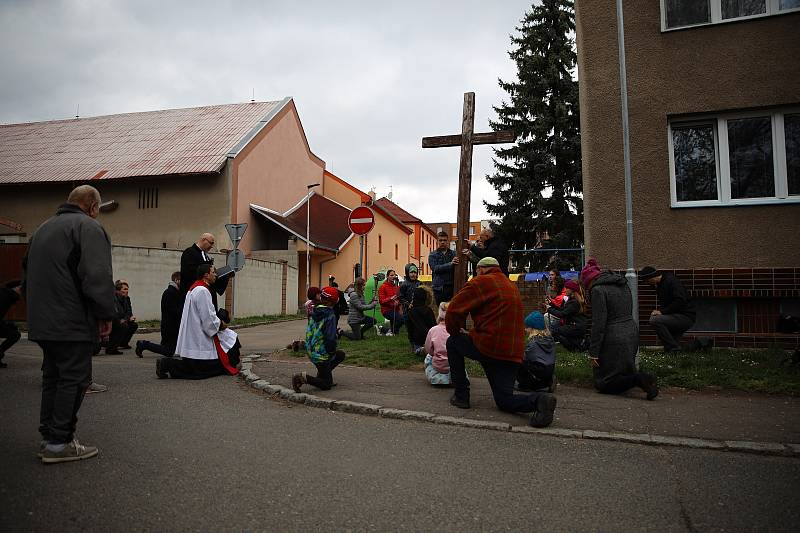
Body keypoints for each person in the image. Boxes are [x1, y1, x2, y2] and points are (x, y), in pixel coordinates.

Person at [24, 185, 116, 463]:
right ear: (92, 206)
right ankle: (59, 442)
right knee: (74, 379)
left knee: (52, 376)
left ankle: (49, 436)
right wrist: (105, 313)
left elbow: (27, 273)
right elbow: (96, 275)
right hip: (71, 319)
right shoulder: (87, 227)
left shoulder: (42, 229)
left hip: (42, 320)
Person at [445, 256, 557, 428]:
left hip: (489, 345)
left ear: (481, 270)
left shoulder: (479, 282)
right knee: (504, 400)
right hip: (512, 351)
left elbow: (453, 309)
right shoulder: (509, 285)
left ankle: (461, 396)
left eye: (477, 271)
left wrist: (455, 330)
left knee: (453, 342)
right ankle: (539, 401)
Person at [580, 258, 658, 400]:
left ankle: (640, 379)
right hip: (630, 332)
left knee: (604, 383)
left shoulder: (598, 290)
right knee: (623, 371)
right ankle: (645, 379)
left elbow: (599, 323)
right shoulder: (621, 283)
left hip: (613, 337)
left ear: (589, 281)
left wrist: (594, 352)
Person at [156, 264, 239, 380]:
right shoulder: (202, 291)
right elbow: (208, 318)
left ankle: (166, 365)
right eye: (213, 272)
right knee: (201, 371)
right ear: (206, 275)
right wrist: (221, 324)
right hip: (199, 337)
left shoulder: (195, 288)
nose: (215, 275)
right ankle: (166, 364)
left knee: (197, 368)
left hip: (195, 334)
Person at [292, 286, 345, 392]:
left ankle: (322, 373)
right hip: (321, 353)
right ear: (333, 302)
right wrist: (331, 350)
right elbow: (329, 338)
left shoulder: (315, 310)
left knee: (340, 355)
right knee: (326, 384)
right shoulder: (330, 315)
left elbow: (318, 330)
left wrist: (335, 333)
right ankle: (302, 378)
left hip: (311, 349)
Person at [639, 266, 696, 353]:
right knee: (671, 347)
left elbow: (680, 300)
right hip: (675, 316)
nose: (647, 283)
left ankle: (674, 349)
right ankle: (681, 349)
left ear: (652, 277)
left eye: (647, 281)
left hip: (685, 316)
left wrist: (662, 312)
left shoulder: (671, 281)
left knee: (655, 320)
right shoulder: (660, 284)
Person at [136, 272, 182, 357]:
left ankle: (144, 344)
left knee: (169, 349)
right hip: (170, 327)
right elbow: (173, 311)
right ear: (176, 280)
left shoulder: (174, 292)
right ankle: (144, 344)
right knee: (168, 351)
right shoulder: (170, 293)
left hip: (171, 326)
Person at [179, 233, 231, 309]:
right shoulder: (189, 252)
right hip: (196, 295)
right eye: (211, 243)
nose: (212, 246)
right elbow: (190, 274)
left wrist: (224, 275)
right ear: (203, 240)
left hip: (206, 294)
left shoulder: (205, 255)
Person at [517, 311, 557, 393]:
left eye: (527, 327)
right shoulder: (550, 340)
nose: (525, 329)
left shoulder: (533, 343)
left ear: (533, 329)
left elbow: (526, 358)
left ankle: (525, 385)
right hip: (549, 369)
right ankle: (548, 382)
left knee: (518, 362)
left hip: (537, 373)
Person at [544, 279, 588, 352]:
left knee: (556, 332)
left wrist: (549, 309)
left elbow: (562, 314)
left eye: (567, 288)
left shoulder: (573, 302)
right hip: (577, 325)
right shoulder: (572, 300)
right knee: (561, 332)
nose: (565, 289)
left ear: (572, 290)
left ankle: (573, 348)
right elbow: (562, 310)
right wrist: (551, 305)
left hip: (576, 326)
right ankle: (577, 345)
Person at [423, 302, 453, 386]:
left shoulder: (433, 330)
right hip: (454, 366)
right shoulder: (456, 330)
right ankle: (452, 378)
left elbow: (428, 349)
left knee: (428, 357)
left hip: (438, 366)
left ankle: (437, 378)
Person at [105, 279, 138, 355]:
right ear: (118, 291)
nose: (127, 291)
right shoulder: (113, 298)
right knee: (122, 325)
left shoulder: (127, 299)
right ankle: (111, 348)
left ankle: (123, 343)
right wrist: (121, 319)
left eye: (127, 289)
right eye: (125, 289)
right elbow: (113, 312)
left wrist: (126, 319)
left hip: (123, 319)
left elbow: (129, 311)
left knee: (133, 325)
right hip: (113, 319)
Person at [428, 231, 459, 304]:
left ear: (448, 241)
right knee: (441, 311)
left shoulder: (454, 253)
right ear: (437, 241)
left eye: (444, 240)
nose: (442, 242)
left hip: (452, 287)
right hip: (439, 289)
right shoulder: (433, 255)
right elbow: (435, 269)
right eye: (440, 240)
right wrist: (451, 264)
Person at [406, 286, 436, 356]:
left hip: (417, 339)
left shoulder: (411, 311)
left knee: (417, 349)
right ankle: (428, 349)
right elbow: (433, 325)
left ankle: (420, 350)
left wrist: (411, 340)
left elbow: (409, 328)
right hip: (429, 338)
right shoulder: (428, 310)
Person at [0, 279, 23, 368]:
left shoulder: (7, 296)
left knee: (14, 333)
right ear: (18, 289)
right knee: (14, 334)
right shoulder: (4, 297)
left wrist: (7, 324)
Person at [378, 269, 404, 335]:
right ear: (387, 276)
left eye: (394, 275)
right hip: (386, 310)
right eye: (391, 275)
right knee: (401, 319)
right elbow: (381, 301)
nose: (393, 277)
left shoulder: (397, 287)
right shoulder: (383, 287)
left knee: (396, 333)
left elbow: (399, 298)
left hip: (396, 309)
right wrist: (390, 299)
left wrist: (398, 303)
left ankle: (384, 330)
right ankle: (389, 330)